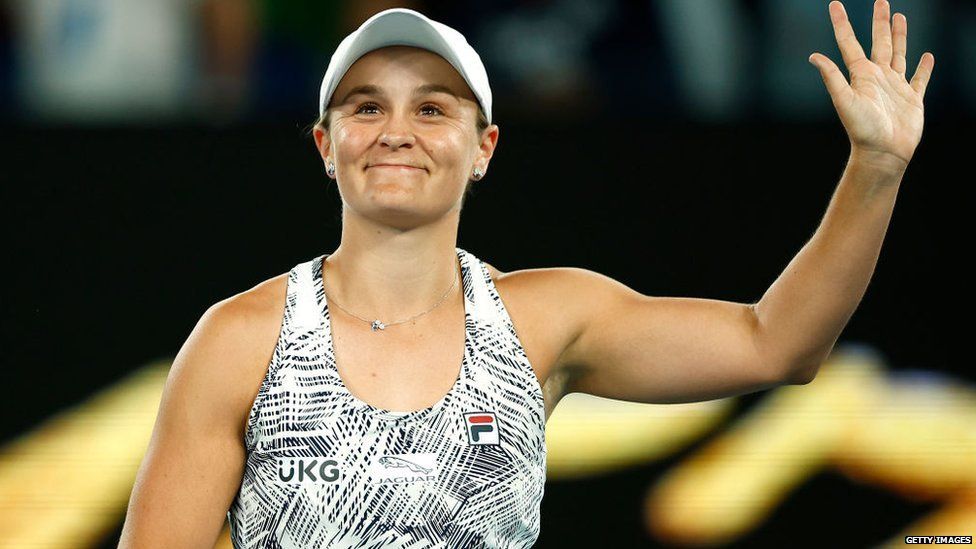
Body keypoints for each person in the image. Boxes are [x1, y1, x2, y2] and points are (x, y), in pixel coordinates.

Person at [118, 2, 934, 547]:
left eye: (432, 108)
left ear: (484, 149)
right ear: (327, 147)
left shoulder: (544, 317)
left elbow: (776, 344)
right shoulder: (239, 339)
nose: (396, 130)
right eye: (366, 107)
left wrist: (877, 167)